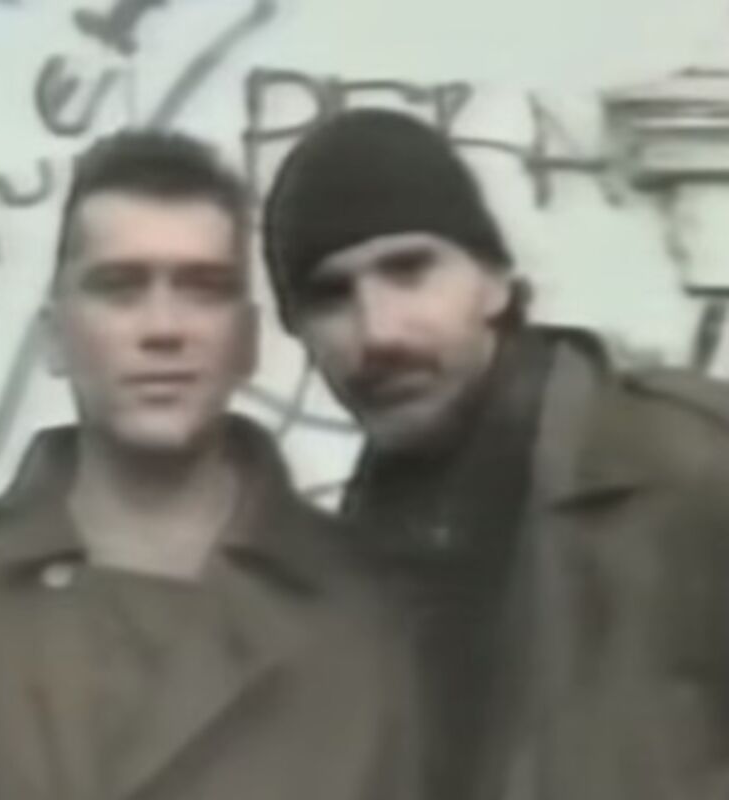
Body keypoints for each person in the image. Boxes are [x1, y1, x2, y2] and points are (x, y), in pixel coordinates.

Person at [0, 130, 420, 800]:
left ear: (247, 341)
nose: (163, 328)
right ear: (55, 337)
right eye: (120, 288)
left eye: (203, 289)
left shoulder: (362, 614)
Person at [263, 107, 729, 800]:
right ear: (300, 333)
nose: (379, 331)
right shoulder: (343, 569)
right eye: (331, 296)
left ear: (495, 282)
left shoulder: (688, 470)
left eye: (409, 270)